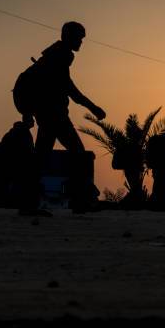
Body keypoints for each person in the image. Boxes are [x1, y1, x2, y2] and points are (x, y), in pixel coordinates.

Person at [22, 21, 106, 214]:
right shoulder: (60, 56)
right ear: (69, 37)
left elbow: (67, 88)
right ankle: (79, 201)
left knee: (41, 157)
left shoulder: (54, 55)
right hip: (54, 115)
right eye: (80, 38)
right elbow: (70, 90)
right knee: (77, 154)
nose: (81, 42)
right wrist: (93, 108)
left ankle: (29, 203)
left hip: (48, 114)